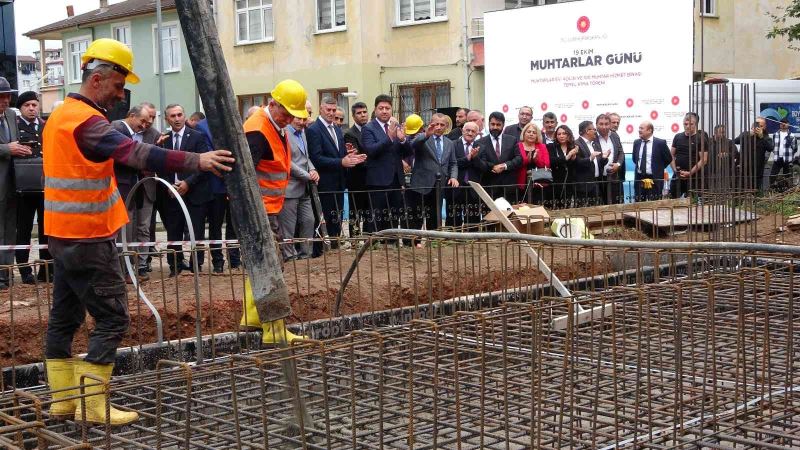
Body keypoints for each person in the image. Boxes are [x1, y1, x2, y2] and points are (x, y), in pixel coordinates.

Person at [42, 38, 233, 425]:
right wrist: (197, 160)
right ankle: (92, 405)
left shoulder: (61, 115)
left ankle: (64, 400)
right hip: (89, 237)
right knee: (113, 318)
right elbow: (137, 153)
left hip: (62, 234)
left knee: (65, 317)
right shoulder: (87, 122)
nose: (120, 95)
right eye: (118, 86)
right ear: (97, 79)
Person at [238, 79, 311, 344]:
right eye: (287, 113)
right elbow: (243, 175)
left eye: (294, 115)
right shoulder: (258, 130)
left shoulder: (274, 126)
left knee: (261, 262)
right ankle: (274, 330)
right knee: (271, 265)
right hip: (258, 209)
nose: (290, 119)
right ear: (272, 104)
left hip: (268, 207)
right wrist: (253, 212)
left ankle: (252, 316)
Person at [156, 104, 213, 276]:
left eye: (179, 114)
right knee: (173, 232)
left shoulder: (198, 137)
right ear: (167, 119)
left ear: (184, 116)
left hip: (194, 193)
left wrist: (188, 183)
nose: (177, 119)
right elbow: (158, 165)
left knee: (196, 231)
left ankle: (196, 266)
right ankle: (175, 267)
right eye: (172, 116)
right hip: (172, 195)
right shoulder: (163, 140)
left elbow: (204, 165)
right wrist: (168, 185)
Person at [308, 97, 365, 247]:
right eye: (328, 110)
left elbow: (339, 153)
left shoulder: (337, 129)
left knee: (337, 220)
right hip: (325, 184)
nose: (331, 113)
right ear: (321, 109)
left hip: (339, 183)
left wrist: (349, 156)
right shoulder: (314, 129)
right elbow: (316, 158)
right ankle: (323, 250)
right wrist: (341, 162)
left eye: (334, 110)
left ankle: (335, 247)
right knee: (325, 219)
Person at [14, 90, 52, 284]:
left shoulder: (46, 126)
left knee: (47, 230)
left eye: (34, 105)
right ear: (20, 108)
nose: (31, 108)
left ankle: (46, 269)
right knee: (24, 230)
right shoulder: (15, 126)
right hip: (23, 188)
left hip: (45, 187)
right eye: (27, 105)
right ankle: (25, 271)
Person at [195, 117, 241, 272]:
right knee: (216, 225)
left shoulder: (233, 121)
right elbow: (208, 155)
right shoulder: (202, 127)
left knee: (234, 225)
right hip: (216, 184)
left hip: (235, 185)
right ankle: (218, 262)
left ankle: (235, 260)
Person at [361, 94, 412, 235]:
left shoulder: (396, 126)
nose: (384, 111)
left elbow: (408, 152)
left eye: (387, 108)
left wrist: (402, 140)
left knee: (394, 215)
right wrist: (389, 137)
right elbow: (371, 150)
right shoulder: (368, 128)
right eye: (381, 108)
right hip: (378, 181)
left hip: (396, 180)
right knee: (377, 216)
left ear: (391, 110)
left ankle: (392, 241)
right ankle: (375, 242)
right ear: (375, 109)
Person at [110, 105, 151, 281]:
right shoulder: (118, 130)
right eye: (142, 121)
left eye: (147, 123)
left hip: (129, 190)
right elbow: (127, 158)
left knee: (128, 233)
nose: (144, 126)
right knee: (122, 234)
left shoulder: (126, 131)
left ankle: (127, 270)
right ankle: (123, 272)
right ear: (132, 115)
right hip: (121, 189)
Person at [278, 101, 318, 261]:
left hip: (304, 187)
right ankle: (289, 257)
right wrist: (307, 175)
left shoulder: (302, 133)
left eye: (304, 118)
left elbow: (306, 157)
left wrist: (312, 169)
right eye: (298, 118)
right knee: (288, 226)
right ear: (290, 117)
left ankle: (306, 255)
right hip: (289, 187)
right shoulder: (283, 133)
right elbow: (286, 161)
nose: (302, 122)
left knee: (309, 220)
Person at [407, 113, 458, 235]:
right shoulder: (423, 138)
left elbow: (453, 163)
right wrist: (426, 135)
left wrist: (453, 177)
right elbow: (413, 145)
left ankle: (433, 240)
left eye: (442, 125)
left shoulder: (449, 143)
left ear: (446, 126)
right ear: (431, 124)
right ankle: (413, 241)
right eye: (436, 124)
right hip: (421, 184)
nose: (439, 127)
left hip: (439, 185)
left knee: (435, 215)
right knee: (417, 215)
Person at [0, 77, 26, 290]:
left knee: (10, 229)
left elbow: (15, 143)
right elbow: (8, 147)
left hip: (13, 182)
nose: (6, 100)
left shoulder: (10, 115)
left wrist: (23, 149)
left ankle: (5, 273)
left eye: (8, 96)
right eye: (1, 96)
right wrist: (7, 149)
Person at [475, 111, 521, 201]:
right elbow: (481, 162)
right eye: (492, 124)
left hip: (508, 187)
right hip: (489, 188)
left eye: (498, 124)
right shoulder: (480, 142)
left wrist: (504, 166)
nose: (495, 127)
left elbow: (519, 159)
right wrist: (492, 167)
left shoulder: (512, 140)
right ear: (488, 124)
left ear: (503, 125)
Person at [343, 101, 370, 236]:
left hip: (372, 179)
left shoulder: (371, 130)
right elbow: (357, 158)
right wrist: (376, 161)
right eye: (359, 113)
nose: (363, 115)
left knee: (370, 212)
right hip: (357, 180)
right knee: (356, 212)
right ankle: (354, 240)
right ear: (353, 116)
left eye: (364, 112)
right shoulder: (350, 134)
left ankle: (369, 239)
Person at [450, 121, 482, 225]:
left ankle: (473, 236)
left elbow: (484, 166)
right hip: (456, 187)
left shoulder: (481, 147)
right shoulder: (453, 144)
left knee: (473, 221)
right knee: (454, 220)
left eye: (473, 131)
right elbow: (452, 163)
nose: (470, 133)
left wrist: (475, 158)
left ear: (477, 134)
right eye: (467, 130)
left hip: (473, 188)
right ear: (462, 131)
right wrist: (468, 158)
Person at [671, 112, 709, 198]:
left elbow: (704, 160)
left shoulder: (701, 139)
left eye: (691, 124)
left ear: (696, 124)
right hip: (678, 176)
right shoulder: (677, 137)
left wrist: (690, 173)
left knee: (693, 202)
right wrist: (675, 171)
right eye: (685, 124)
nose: (687, 126)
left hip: (695, 178)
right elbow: (671, 155)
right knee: (673, 200)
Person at [571, 120, 608, 206]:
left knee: (596, 210)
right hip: (583, 186)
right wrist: (590, 158)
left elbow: (598, 164)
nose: (596, 132)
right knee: (583, 211)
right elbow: (576, 163)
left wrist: (604, 158)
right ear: (587, 131)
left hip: (596, 183)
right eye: (594, 129)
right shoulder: (576, 144)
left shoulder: (594, 144)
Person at [632, 121, 671, 201]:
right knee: (639, 203)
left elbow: (668, 158)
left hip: (655, 179)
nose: (639, 130)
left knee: (654, 204)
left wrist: (658, 169)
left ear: (650, 130)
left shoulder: (660, 143)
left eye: (642, 128)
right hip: (640, 179)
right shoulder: (636, 143)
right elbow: (634, 159)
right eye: (639, 128)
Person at [734, 119, 774, 192]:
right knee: (743, 188)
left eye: (761, 126)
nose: (758, 128)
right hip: (744, 167)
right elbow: (736, 141)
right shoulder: (746, 134)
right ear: (752, 127)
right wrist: (748, 135)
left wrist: (761, 137)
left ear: (764, 127)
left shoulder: (766, 137)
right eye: (756, 126)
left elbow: (770, 148)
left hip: (757, 169)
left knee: (755, 189)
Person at [516, 122, 550, 205]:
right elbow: (515, 164)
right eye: (529, 132)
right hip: (521, 183)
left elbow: (547, 164)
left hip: (539, 182)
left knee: (537, 207)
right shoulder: (518, 146)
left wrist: (536, 160)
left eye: (534, 133)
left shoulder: (542, 146)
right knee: (523, 208)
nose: (531, 134)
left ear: (537, 135)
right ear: (524, 133)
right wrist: (526, 160)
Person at [595, 113, 625, 204]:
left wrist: (618, 164)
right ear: (596, 125)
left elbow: (621, 152)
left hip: (614, 177)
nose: (604, 127)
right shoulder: (593, 137)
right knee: (600, 205)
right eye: (601, 124)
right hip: (599, 179)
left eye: (606, 124)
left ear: (609, 125)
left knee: (616, 203)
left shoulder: (614, 135)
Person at [547, 125, 576, 208]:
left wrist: (573, 158)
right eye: (559, 134)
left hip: (568, 183)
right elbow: (551, 161)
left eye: (564, 133)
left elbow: (576, 165)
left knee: (566, 208)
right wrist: (566, 157)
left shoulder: (573, 147)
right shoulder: (551, 146)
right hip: (554, 183)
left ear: (568, 135)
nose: (561, 136)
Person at [769, 118, 797, 189]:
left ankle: (787, 191)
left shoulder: (792, 135)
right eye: (782, 123)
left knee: (787, 177)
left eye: (785, 123)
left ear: (788, 124)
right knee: (772, 176)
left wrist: (790, 155)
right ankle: (772, 190)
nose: (783, 124)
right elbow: (773, 146)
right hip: (777, 159)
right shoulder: (775, 134)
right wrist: (775, 152)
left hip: (787, 159)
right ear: (779, 124)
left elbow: (795, 148)